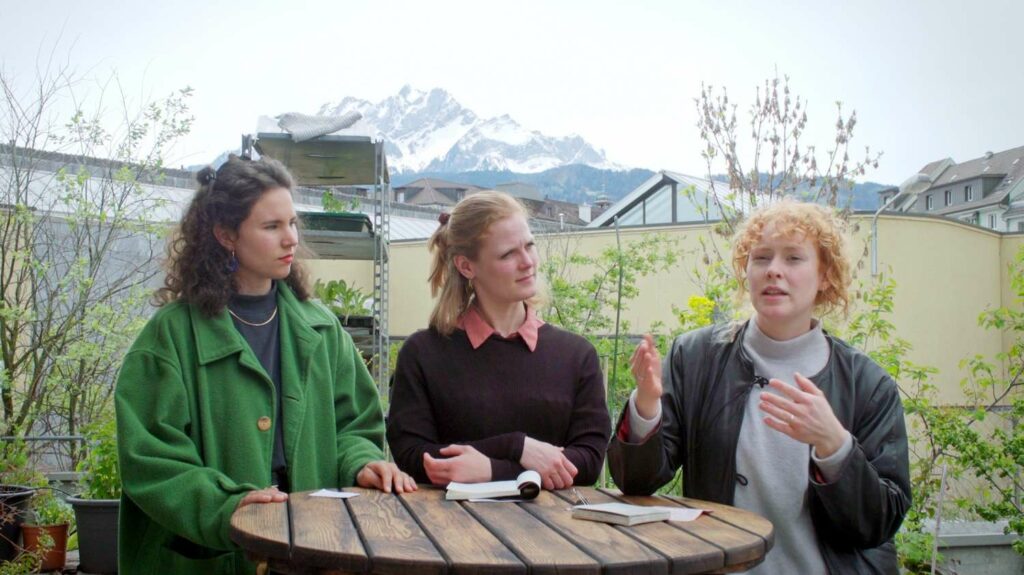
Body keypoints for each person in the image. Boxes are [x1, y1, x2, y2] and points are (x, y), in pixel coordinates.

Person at [115, 156, 415, 575]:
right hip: (211, 561)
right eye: (272, 227)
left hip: (313, 549)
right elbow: (150, 460)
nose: (290, 238)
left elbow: (354, 425)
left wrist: (362, 463)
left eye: (292, 223)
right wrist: (227, 506)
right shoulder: (170, 338)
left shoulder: (322, 329)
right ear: (225, 235)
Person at [607, 200, 910, 574]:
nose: (774, 271)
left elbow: (878, 524)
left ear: (826, 275)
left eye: (794, 258)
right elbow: (635, 482)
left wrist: (835, 446)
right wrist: (647, 407)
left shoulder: (867, 383)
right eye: (761, 257)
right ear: (745, 271)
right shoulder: (696, 356)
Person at [387, 191, 610, 490]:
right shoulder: (423, 354)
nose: (527, 262)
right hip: (447, 531)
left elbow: (588, 463)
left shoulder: (576, 355)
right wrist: (517, 447)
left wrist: (493, 470)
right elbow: (414, 457)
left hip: (557, 533)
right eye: (508, 254)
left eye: (529, 245)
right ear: (467, 266)